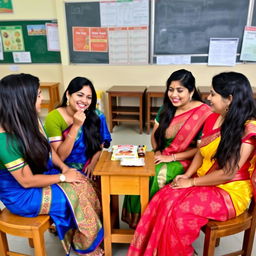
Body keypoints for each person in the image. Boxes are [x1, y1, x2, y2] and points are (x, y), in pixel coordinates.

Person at [127, 71, 256, 256]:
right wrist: (187, 176)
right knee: (164, 197)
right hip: (204, 179)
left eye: (213, 94)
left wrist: (191, 182)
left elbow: (228, 173)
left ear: (229, 99)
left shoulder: (248, 129)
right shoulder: (213, 117)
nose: (208, 98)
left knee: (178, 212)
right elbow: (201, 153)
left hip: (230, 191)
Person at [0, 73, 104, 256]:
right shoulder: (3, 138)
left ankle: (83, 238)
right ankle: (87, 249)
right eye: (38, 95)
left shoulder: (29, 121)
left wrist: (65, 168)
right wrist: (63, 176)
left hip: (39, 175)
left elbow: (49, 151)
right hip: (21, 194)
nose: (42, 98)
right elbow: (26, 181)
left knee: (84, 183)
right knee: (78, 194)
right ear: (24, 99)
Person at [122, 69, 212, 228]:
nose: (174, 95)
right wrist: (157, 151)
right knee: (137, 169)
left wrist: (171, 158)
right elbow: (155, 136)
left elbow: (200, 150)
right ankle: (137, 222)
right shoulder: (167, 108)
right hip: (162, 153)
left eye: (180, 90)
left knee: (158, 173)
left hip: (186, 160)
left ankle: (153, 225)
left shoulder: (204, 113)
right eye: (171, 89)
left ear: (191, 91)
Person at [44, 77, 111, 186]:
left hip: (91, 164)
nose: (84, 101)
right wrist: (75, 126)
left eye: (89, 97)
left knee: (110, 181)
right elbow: (60, 157)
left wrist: (93, 164)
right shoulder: (54, 118)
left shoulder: (96, 116)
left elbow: (100, 145)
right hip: (64, 169)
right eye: (80, 95)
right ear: (68, 94)